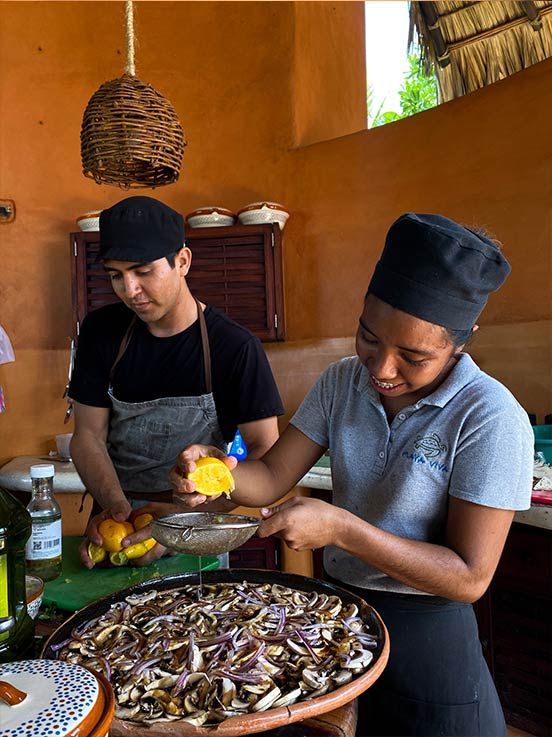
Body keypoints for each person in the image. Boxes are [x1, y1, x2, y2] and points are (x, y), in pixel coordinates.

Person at [170, 213, 533, 737]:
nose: (382, 369)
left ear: (461, 340)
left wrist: (342, 529)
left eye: (413, 357)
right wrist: (216, 475)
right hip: (341, 621)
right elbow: (271, 475)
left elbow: (469, 577)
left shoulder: (490, 417)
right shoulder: (343, 381)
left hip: (428, 634)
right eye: (368, 337)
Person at [69, 196, 283, 567]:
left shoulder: (234, 347)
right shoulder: (100, 332)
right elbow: (87, 435)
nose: (129, 290)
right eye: (116, 275)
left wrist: (179, 524)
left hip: (198, 525)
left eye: (143, 271)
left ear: (182, 261)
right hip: (119, 522)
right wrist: (117, 508)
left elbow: (266, 454)